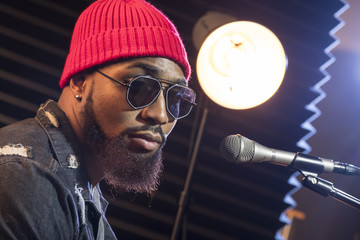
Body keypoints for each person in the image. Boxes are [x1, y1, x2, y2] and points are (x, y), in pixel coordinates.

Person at [0, 0, 196, 239]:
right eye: (139, 86)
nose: (160, 115)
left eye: (176, 97)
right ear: (80, 81)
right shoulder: (29, 176)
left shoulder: (80, 192)